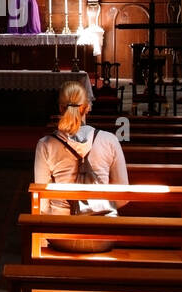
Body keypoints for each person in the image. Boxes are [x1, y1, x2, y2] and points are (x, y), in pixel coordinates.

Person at [34, 79, 128, 215]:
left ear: (61, 108)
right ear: (88, 107)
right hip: (102, 223)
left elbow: (42, 202)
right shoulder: (109, 140)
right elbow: (123, 193)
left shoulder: (45, 144)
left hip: (61, 225)